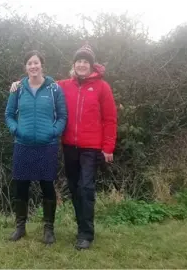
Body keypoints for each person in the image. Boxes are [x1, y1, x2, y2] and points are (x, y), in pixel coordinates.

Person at [9, 44, 118, 250]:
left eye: (86, 61)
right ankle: (79, 231)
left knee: (85, 188)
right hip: (69, 146)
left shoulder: (102, 87)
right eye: (79, 61)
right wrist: (18, 83)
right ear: (74, 64)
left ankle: (85, 234)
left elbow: (110, 119)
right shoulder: (62, 85)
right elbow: (39, 81)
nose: (82, 64)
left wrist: (108, 147)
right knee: (75, 188)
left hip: (91, 147)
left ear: (92, 65)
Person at [5, 50, 67, 244]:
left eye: (36, 63)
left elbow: (63, 116)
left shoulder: (54, 89)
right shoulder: (18, 89)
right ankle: (20, 228)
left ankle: (48, 230)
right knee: (21, 187)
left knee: (47, 187)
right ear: (26, 67)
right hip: (23, 145)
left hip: (47, 146)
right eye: (29, 63)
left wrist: (53, 132)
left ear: (42, 65)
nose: (33, 66)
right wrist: (16, 130)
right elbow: (8, 115)